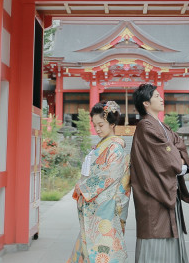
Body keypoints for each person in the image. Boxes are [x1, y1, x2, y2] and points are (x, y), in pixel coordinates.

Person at [130, 83, 189, 263]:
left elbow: (179, 146)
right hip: (154, 195)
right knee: (155, 239)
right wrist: (178, 162)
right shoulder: (145, 127)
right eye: (156, 96)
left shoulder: (160, 125)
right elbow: (169, 157)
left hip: (167, 191)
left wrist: (179, 160)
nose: (161, 99)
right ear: (146, 103)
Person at [67, 101, 131, 263]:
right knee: (91, 240)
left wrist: (85, 187)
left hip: (107, 204)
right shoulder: (102, 145)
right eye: (95, 125)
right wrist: (81, 184)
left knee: (104, 245)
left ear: (112, 123)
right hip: (97, 201)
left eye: (101, 125)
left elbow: (109, 175)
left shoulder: (116, 147)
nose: (97, 129)